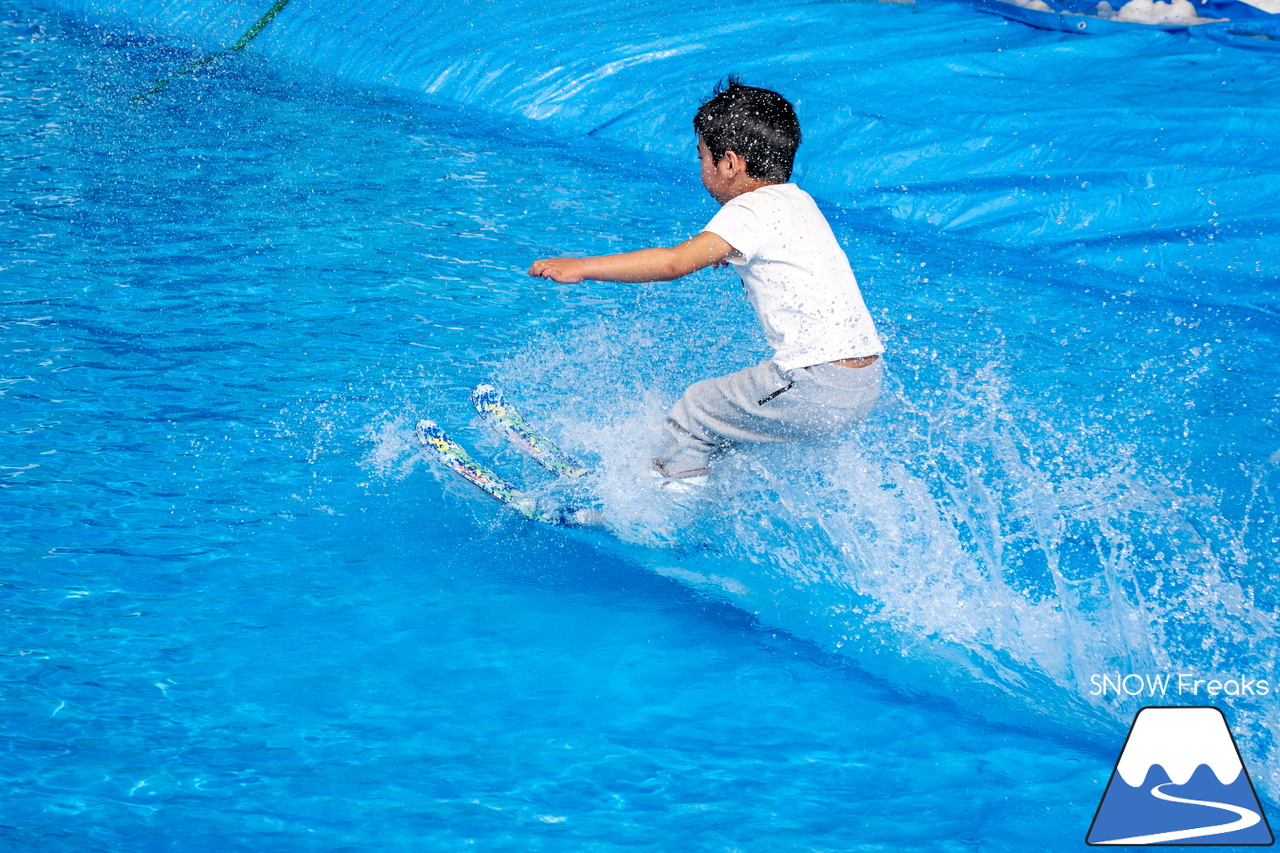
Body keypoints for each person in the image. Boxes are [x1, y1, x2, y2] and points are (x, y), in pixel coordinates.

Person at [529, 78, 884, 491]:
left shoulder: (749, 210)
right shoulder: (796, 200)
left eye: (702, 158)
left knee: (695, 411)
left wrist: (583, 266)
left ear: (729, 164)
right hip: (861, 383)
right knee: (722, 427)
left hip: (815, 380)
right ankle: (686, 485)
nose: (701, 170)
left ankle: (656, 515)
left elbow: (673, 262)